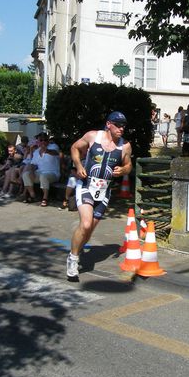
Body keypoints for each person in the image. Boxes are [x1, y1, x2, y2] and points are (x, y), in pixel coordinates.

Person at [66, 111, 133, 281]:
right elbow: (74, 148)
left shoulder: (125, 146)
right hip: (86, 186)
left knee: (88, 230)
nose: (121, 128)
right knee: (87, 223)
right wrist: (78, 165)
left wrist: (123, 170)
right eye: (118, 125)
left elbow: (128, 165)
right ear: (109, 124)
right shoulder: (92, 136)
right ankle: (73, 260)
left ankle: (78, 244)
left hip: (104, 191)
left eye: (123, 125)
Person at [21, 132, 61, 206]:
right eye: (41, 140)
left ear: (48, 140)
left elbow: (55, 153)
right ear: (38, 141)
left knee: (43, 176)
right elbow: (33, 164)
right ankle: (32, 195)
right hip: (40, 173)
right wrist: (32, 172)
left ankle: (45, 198)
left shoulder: (53, 146)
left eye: (45, 140)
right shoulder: (36, 151)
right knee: (26, 174)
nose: (43, 142)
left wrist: (46, 150)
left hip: (53, 173)